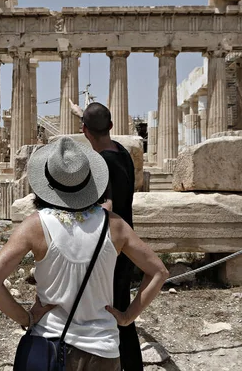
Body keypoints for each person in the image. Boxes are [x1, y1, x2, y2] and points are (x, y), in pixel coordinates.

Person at [0, 137, 168, 371]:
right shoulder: (115, 226)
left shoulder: (35, 226)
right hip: (103, 350)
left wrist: (25, 317)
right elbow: (159, 271)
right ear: (89, 182)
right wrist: (128, 317)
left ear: (48, 183)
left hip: (50, 345)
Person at [78, 101, 142, 370]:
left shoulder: (101, 163)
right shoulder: (123, 153)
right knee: (120, 311)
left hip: (109, 249)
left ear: (84, 131)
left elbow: (106, 206)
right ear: (111, 127)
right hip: (126, 242)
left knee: (112, 316)